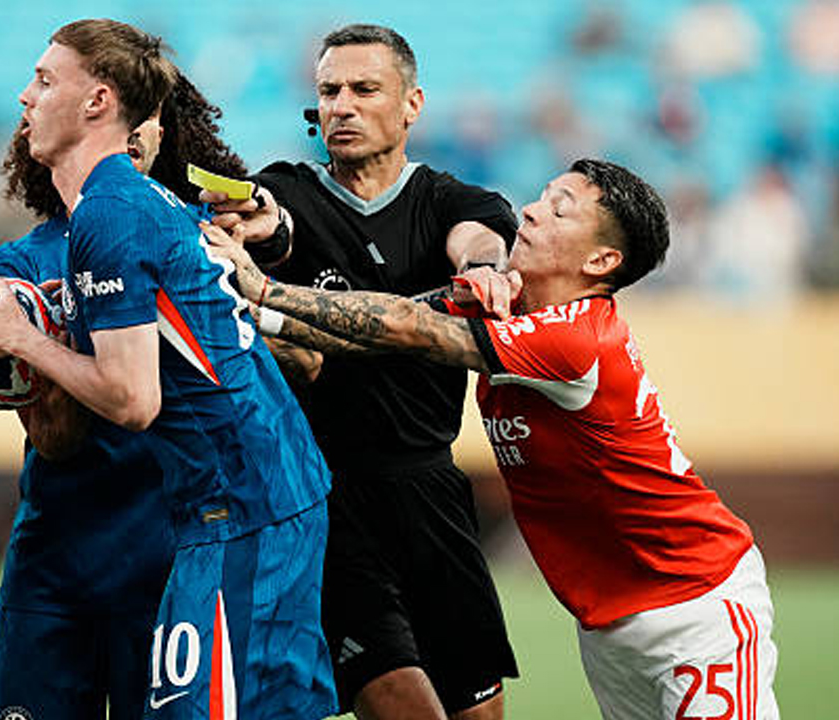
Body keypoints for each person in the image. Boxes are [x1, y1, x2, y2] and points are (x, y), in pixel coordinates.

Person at [207, 158, 780, 720]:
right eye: (543, 195)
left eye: (560, 210)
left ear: (602, 259)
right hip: (609, 628)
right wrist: (253, 316)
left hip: (697, 606)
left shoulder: (578, 340)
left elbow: (409, 327)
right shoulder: (501, 304)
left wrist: (263, 290)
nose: (530, 212)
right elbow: (385, 329)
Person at [0, 19, 335, 719]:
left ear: (97, 102)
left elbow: (132, 401)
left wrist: (18, 337)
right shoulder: (134, 205)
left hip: (246, 506)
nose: (25, 96)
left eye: (44, 79)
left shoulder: (110, 214)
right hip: (227, 506)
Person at [204, 23, 517, 720]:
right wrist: (260, 225)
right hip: (327, 497)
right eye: (328, 91)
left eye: (363, 89)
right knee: (402, 702)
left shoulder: (450, 200)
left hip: (432, 492)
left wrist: (485, 270)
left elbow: (478, 241)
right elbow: (270, 219)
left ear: (411, 104)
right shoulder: (287, 187)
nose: (341, 105)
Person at [0, 69, 248, 720]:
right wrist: (37, 340)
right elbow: (54, 438)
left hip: (171, 566)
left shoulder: (196, 243)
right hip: (56, 567)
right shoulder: (24, 263)